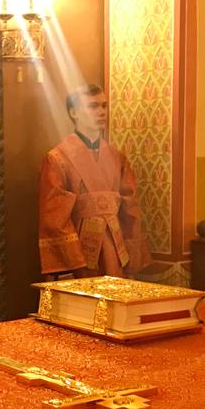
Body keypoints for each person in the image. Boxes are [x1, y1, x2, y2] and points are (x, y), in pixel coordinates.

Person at [38, 85, 151, 278]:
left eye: (104, 106)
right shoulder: (58, 158)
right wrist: (73, 263)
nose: (101, 112)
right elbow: (55, 217)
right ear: (73, 112)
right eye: (92, 106)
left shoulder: (117, 157)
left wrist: (131, 249)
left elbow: (130, 208)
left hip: (115, 246)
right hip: (82, 251)